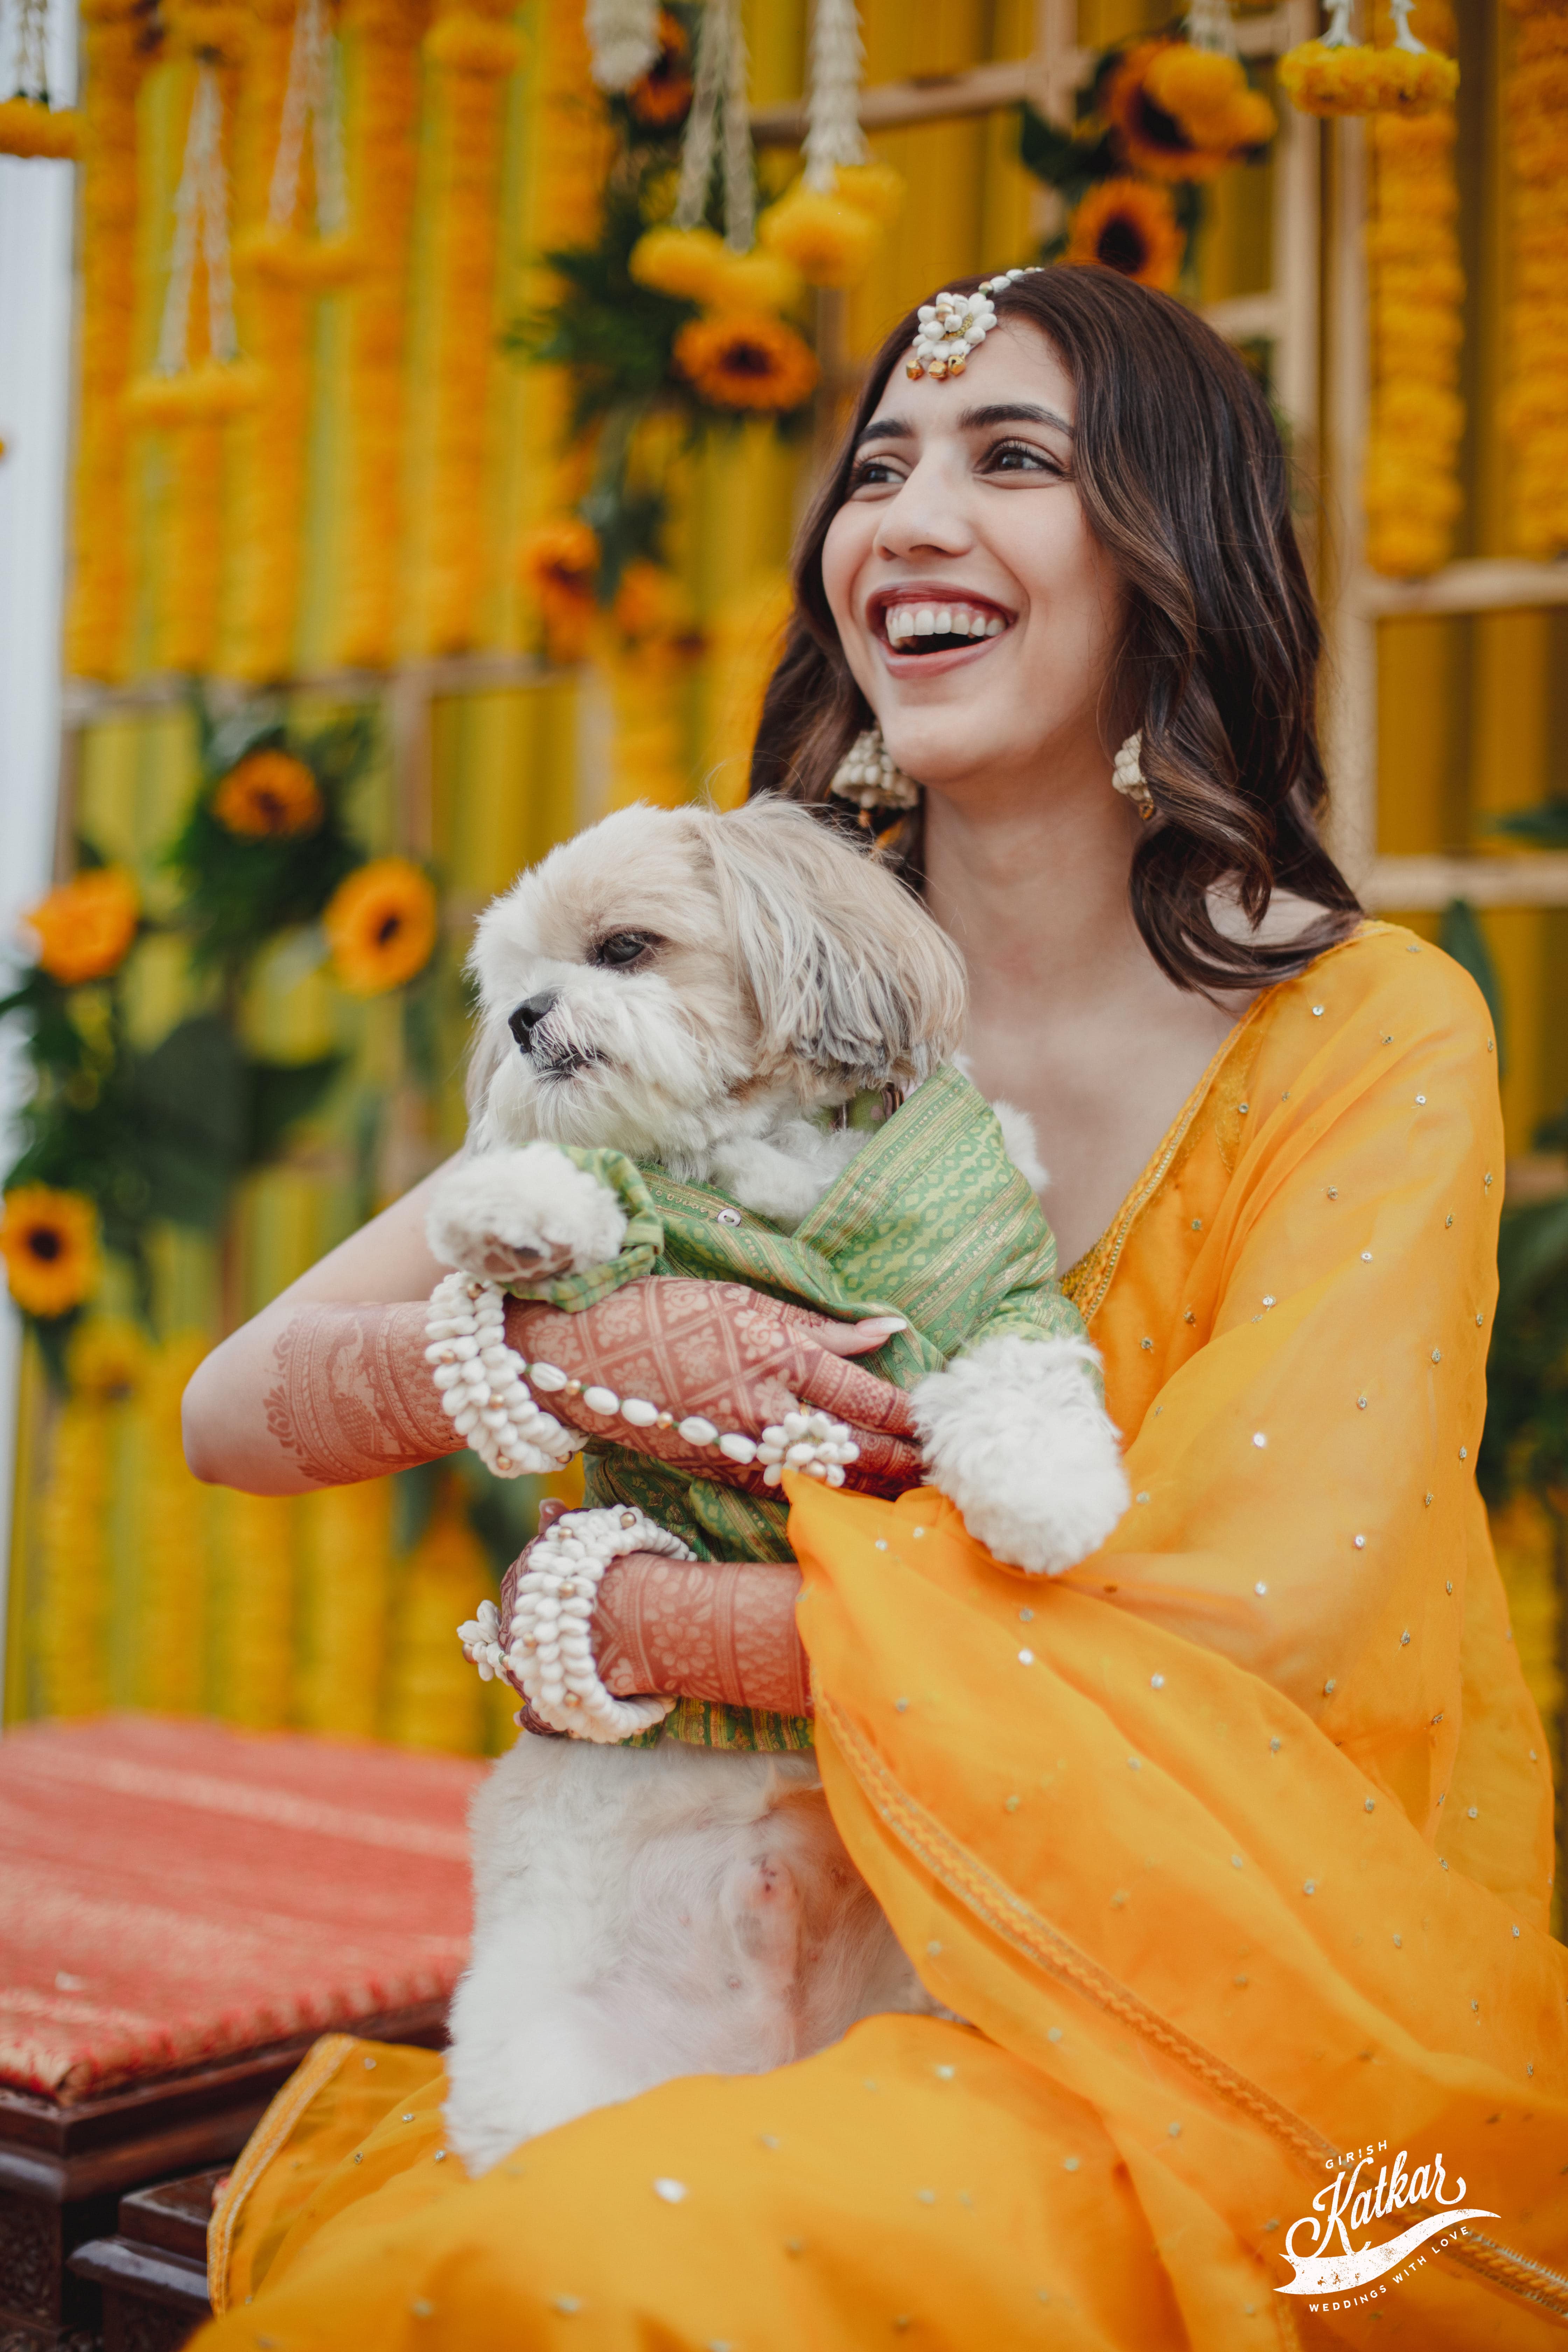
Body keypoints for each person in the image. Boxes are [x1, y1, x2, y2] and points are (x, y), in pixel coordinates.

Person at [184, 267, 1568, 2348]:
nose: (904, 521)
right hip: (703, 1941)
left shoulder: (1366, 1038)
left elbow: (1248, 1623)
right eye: (879, 468)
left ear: (1171, 560)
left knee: (577, 2278)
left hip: (1152, 2010)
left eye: (1013, 460)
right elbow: (233, 1402)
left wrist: (645, 1621)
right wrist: (553, 1351)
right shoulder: (722, 978)